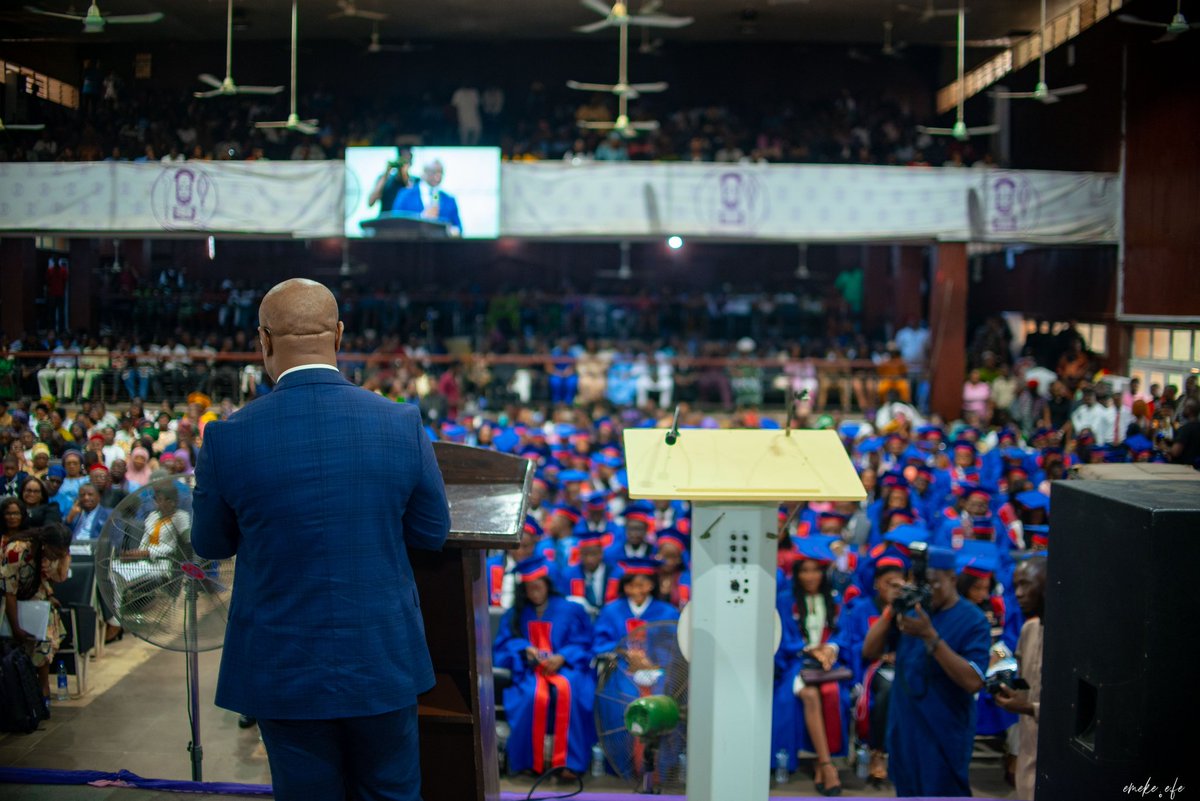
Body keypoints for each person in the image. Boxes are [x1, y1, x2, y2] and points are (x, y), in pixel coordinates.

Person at [193, 278, 451, 801]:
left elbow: (211, 544)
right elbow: (431, 532)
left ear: (264, 340)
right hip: (381, 655)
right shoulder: (399, 422)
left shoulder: (227, 436)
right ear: (337, 334)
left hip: (282, 663)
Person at [862, 546, 990, 797]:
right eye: (922, 584)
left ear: (952, 578)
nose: (928, 591)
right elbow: (870, 650)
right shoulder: (913, 611)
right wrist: (893, 609)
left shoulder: (973, 620)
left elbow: (973, 681)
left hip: (943, 731)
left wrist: (930, 637)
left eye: (934, 583)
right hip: (905, 730)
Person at [493, 555, 596, 781]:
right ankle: (528, 763)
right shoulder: (516, 613)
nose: (534, 592)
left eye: (538, 586)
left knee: (571, 691)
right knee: (530, 696)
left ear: (547, 584)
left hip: (566, 668)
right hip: (531, 670)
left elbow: (585, 643)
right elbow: (503, 645)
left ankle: (570, 764)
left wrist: (562, 656)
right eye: (529, 588)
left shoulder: (571, 609)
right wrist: (525, 648)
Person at [771, 538, 848, 795]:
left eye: (815, 570)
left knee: (832, 693)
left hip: (828, 664)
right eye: (804, 570)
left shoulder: (834, 599)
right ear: (797, 573)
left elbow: (843, 634)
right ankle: (826, 765)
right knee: (810, 694)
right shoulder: (785, 600)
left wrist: (830, 648)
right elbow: (782, 639)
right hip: (798, 663)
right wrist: (809, 649)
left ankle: (822, 763)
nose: (810, 576)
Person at [1, 523, 72, 712]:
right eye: (55, 552)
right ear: (45, 544)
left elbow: (58, 577)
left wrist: (64, 557)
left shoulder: (51, 554)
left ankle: (43, 686)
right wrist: (16, 627)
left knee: (45, 635)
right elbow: (9, 592)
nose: (56, 556)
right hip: (8, 599)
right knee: (17, 639)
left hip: (33, 598)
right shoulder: (17, 550)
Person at [995, 555, 1047, 801]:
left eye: (1026, 584)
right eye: (1015, 585)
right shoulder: (1029, 630)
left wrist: (1027, 707)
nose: (1018, 593)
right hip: (1028, 749)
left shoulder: (1071, 640)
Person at [391, 160, 462, 236]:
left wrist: (450, 231)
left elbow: (458, 227)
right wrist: (421, 218)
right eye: (434, 172)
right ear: (424, 173)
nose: (438, 177)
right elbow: (395, 223)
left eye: (441, 173)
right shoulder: (405, 195)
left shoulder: (449, 200)